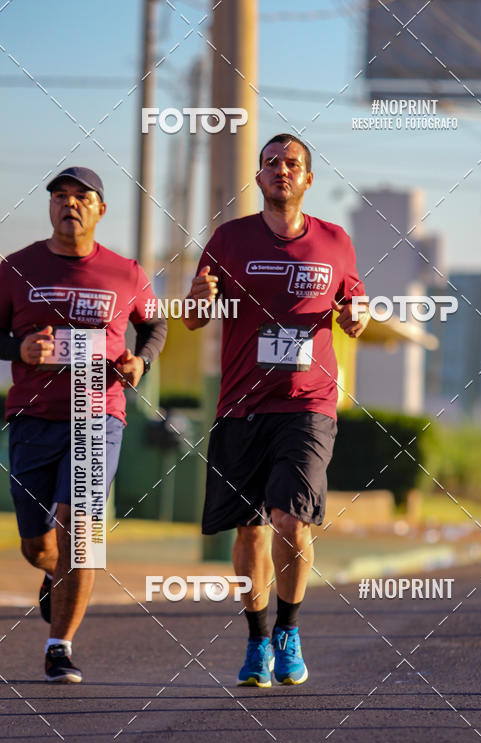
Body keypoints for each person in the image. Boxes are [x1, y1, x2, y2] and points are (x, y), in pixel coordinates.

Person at [184, 134, 369, 687]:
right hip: (241, 407)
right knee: (249, 532)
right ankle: (257, 636)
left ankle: (289, 629)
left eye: (293, 164)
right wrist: (196, 298)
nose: (281, 170)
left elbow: (354, 308)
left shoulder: (335, 242)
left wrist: (357, 315)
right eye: (271, 163)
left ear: (308, 179)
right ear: (259, 177)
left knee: (290, 519)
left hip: (308, 405)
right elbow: (194, 317)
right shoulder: (229, 238)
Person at [0, 166, 166, 683]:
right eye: (60, 197)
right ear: (50, 207)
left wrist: (140, 361)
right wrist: (18, 348)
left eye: (81, 197)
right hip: (33, 418)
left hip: (100, 414)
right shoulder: (15, 267)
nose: (69, 204)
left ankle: (59, 646)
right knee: (38, 545)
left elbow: (154, 323)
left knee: (83, 530)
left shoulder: (127, 273)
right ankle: (53, 573)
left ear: (100, 210)